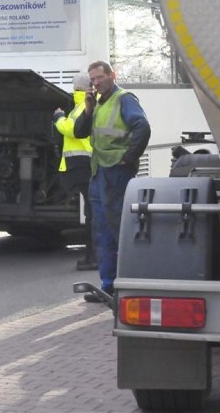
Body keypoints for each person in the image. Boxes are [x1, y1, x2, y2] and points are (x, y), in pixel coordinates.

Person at [74, 60, 151, 303]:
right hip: (99, 172)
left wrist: (127, 159)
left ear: (112, 75)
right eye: (93, 80)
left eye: (100, 78)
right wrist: (87, 108)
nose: (96, 83)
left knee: (118, 228)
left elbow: (142, 126)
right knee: (101, 230)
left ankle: (128, 285)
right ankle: (108, 286)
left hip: (116, 173)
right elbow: (79, 132)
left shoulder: (123, 99)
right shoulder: (97, 103)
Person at [53, 73, 97, 271]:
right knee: (93, 212)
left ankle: (93, 257)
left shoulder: (81, 107)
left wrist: (58, 118)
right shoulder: (82, 105)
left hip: (82, 166)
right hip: (85, 165)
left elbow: (73, 129)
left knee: (93, 214)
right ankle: (92, 256)